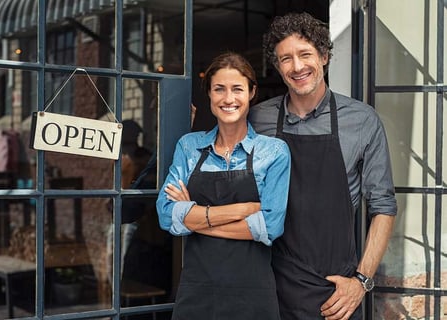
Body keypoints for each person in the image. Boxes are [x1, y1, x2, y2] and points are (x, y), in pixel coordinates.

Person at [248, 12, 398, 320]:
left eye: (305, 54)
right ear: (277, 67)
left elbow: (383, 206)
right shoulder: (257, 119)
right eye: (285, 58)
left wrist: (361, 281)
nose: (297, 66)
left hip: (335, 293)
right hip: (268, 285)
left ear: (324, 56)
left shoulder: (362, 120)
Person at [156, 52, 291, 320]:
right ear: (209, 94)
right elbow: (165, 215)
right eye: (219, 89)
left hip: (253, 295)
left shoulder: (274, 152)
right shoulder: (189, 146)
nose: (228, 99)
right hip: (197, 292)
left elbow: (270, 227)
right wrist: (243, 210)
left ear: (252, 92)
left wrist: (195, 218)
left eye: (237, 89)